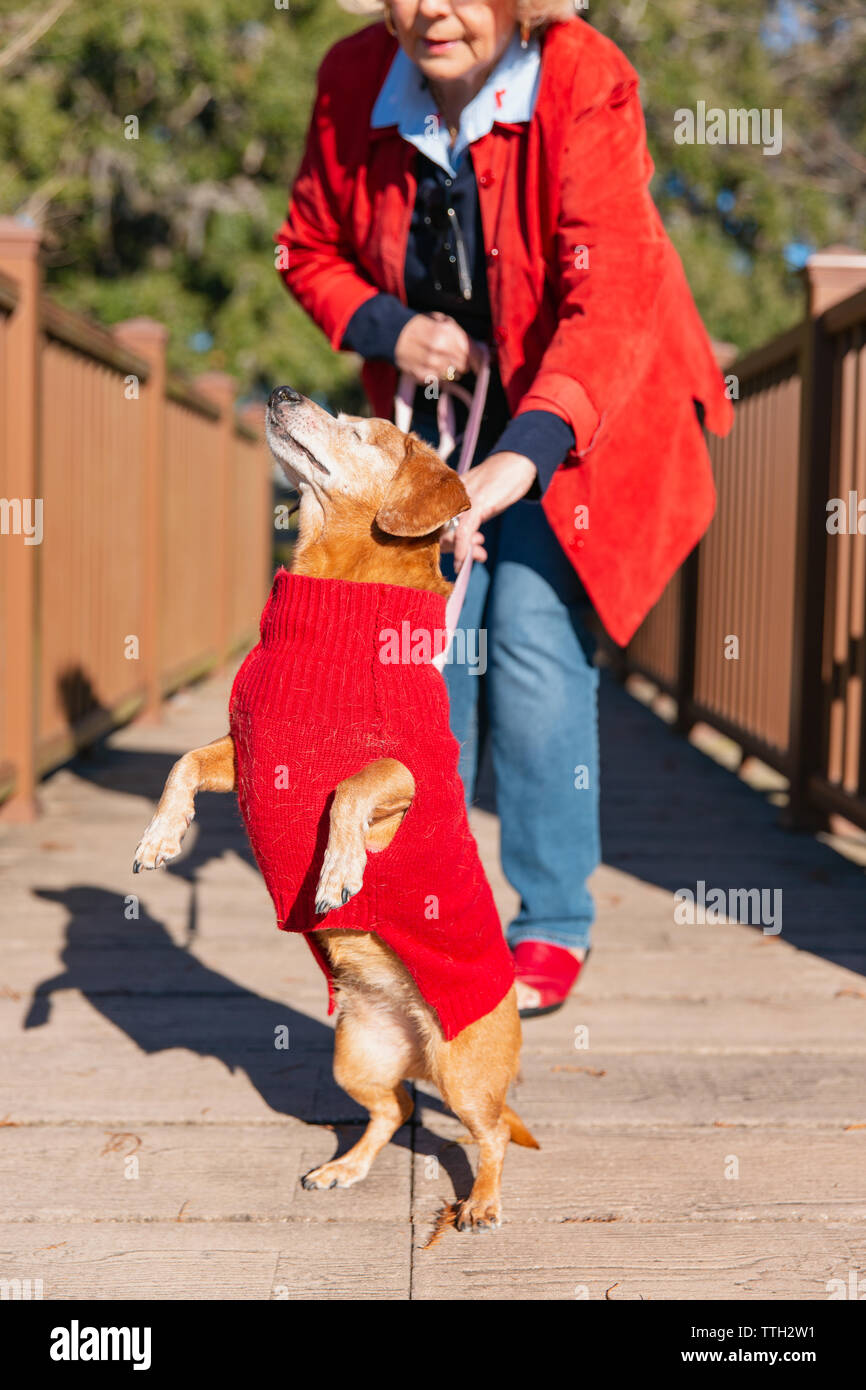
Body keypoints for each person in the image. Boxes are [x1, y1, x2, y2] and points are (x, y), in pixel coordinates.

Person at [275, 1, 732, 1016]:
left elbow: (611, 296)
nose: (433, 9)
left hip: (581, 416)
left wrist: (518, 460)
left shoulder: (581, 76)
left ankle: (550, 920)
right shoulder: (354, 78)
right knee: (423, 651)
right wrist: (391, 328)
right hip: (439, 423)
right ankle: (421, 907)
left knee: (527, 629)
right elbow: (304, 249)